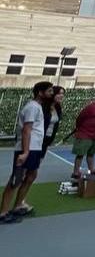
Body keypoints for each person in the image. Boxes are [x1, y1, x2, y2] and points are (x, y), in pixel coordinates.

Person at [1, 82, 55, 224]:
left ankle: (18, 206)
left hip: (35, 148)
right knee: (16, 179)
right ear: (40, 93)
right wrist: (25, 152)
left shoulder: (38, 107)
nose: (52, 94)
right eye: (49, 91)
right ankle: (3, 213)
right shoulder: (31, 107)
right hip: (27, 148)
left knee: (31, 175)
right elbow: (26, 130)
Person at [71, 88, 95, 179]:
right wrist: (79, 128)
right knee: (80, 154)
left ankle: (91, 169)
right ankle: (76, 172)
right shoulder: (91, 107)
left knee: (91, 153)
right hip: (85, 134)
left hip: (94, 136)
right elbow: (80, 118)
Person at [40, 85, 65, 161]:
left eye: (63, 94)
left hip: (47, 139)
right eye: (59, 93)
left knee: (39, 162)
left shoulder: (57, 108)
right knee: (30, 164)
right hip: (38, 139)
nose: (61, 96)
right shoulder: (42, 107)